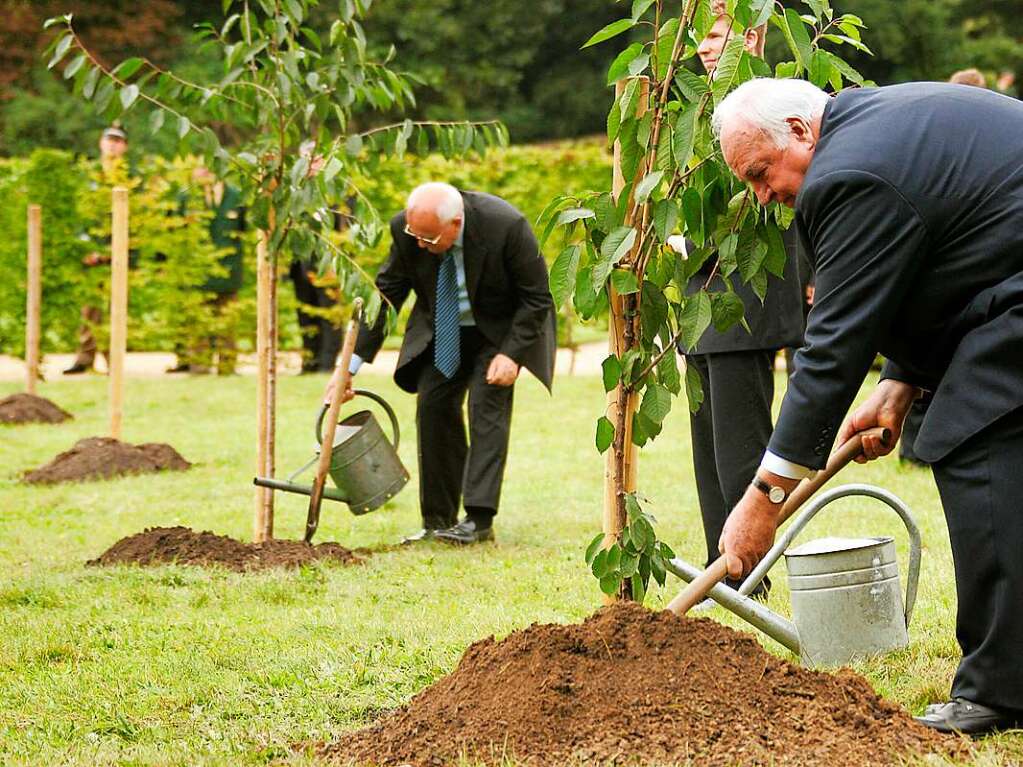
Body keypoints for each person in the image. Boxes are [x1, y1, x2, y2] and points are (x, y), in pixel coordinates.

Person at [712, 77, 1023, 734]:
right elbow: (950, 252)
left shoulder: (848, 174)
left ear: (799, 130)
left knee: (976, 437)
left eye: (760, 173)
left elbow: (830, 351)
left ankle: (1001, 689)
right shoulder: (874, 130)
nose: (762, 196)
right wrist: (899, 380)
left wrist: (762, 499)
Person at [336, 182, 556, 545]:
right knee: (433, 407)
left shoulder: (506, 225)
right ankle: (437, 519)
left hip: (498, 333)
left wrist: (512, 355)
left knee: (487, 407)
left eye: (428, 239)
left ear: (456, 223)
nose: (419, 245)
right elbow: (385, 296)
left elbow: (537, 298)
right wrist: (350, 367)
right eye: (415, 235)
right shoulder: (408, 231)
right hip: (445, 330)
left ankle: (478, 520)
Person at [680, 2, 806, 600]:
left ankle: (748, 574)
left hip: (746, 302)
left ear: (751, 34)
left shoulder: (776, 109)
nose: (707, 46)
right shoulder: (682, 117)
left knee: (740, 446)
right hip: (697, 299)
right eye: (699, 35)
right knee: (707, 445)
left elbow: (798, 196)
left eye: (718, 32)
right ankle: (720, 567)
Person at [64, 125, 128, 375]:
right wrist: (86, 248)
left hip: (118, 253)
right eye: (109, 140)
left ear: (125, 146)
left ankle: (114, 360)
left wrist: (116, 250)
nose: (112, 145)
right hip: (91, 255)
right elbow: (79, 214)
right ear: (101, 143)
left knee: (118, 307)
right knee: (89, 309)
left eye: (118, 141)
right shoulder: (87, 175)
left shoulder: (131, 177)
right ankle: (84, 357)